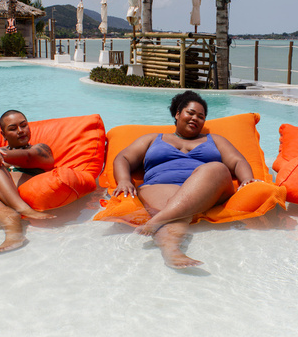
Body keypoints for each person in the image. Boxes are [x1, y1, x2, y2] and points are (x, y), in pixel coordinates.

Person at [112, 91, 261, 268]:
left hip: (208, 187)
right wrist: (124, 180)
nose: (195, 118)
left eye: (201, 116)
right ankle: (172, 252)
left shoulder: (214, 140)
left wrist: (247, 180)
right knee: (173, 208)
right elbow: (123, 158)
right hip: (159, 186)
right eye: (190, 113)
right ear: (177, 114)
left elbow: (238, 161)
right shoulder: (153, 139)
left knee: (217, 168)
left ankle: (157, 221)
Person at [0, 110, 56, 256]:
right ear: (3, 135)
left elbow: (27, 157)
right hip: (5, 198)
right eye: (13, 128)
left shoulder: (40, 149)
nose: (20, 131)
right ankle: (15, 236)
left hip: (24, 196)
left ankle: (20, 216)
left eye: (23, 125)